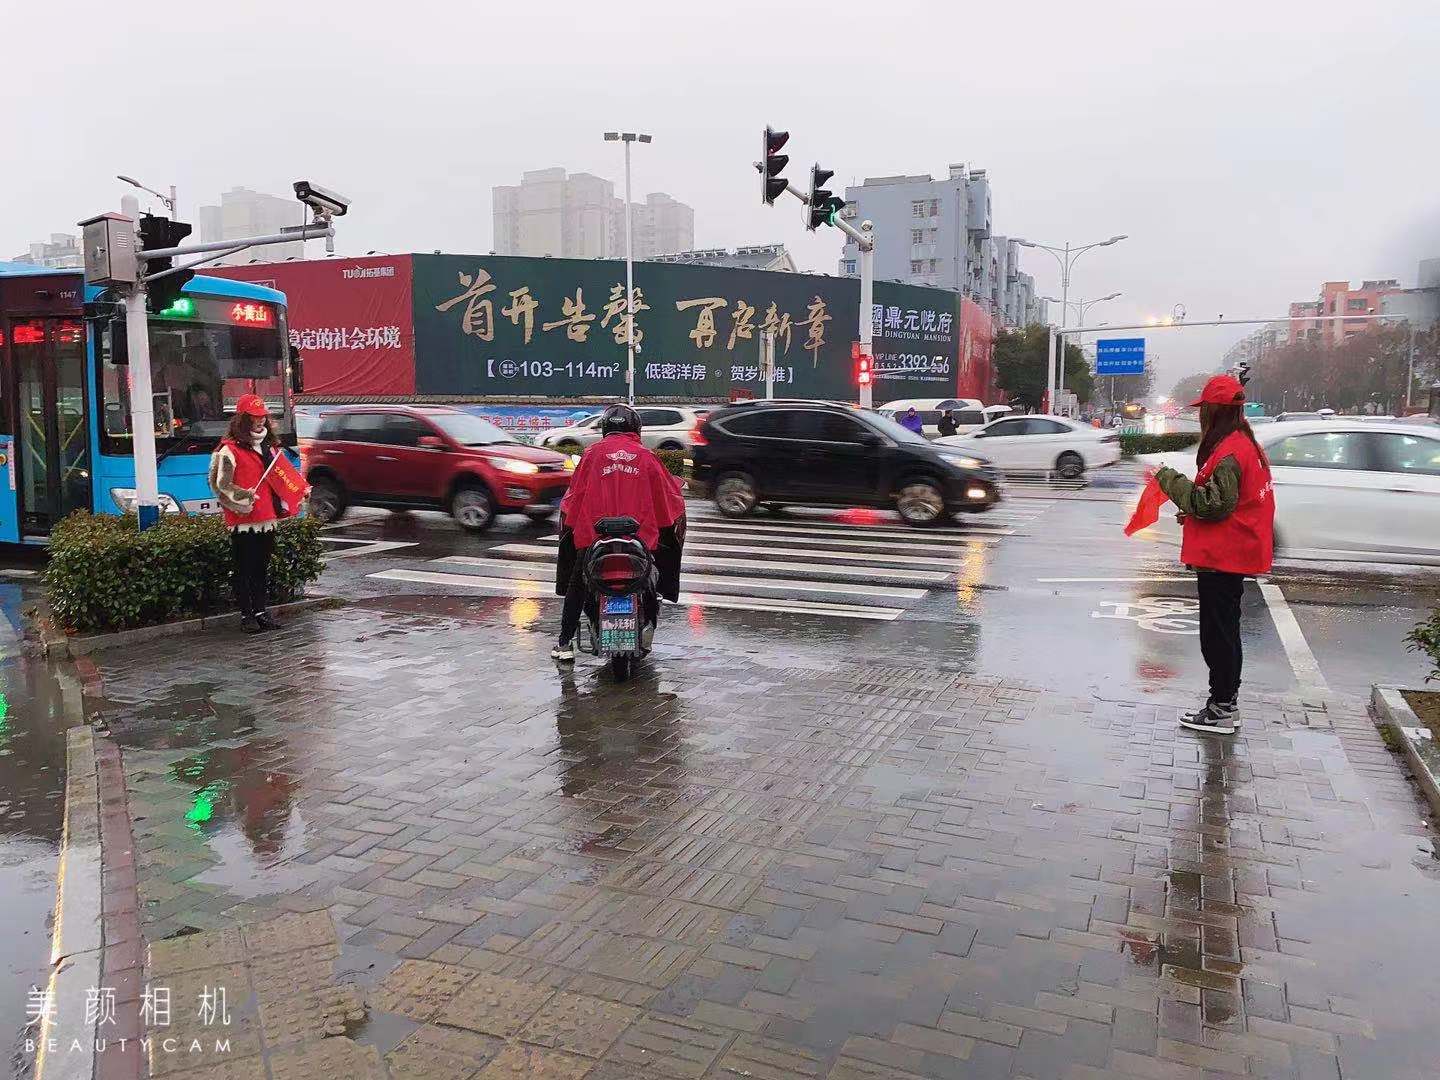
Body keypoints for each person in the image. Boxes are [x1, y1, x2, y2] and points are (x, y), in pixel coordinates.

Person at [1153, 374, 1274, 735]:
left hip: (1225, 556)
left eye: (1204, 409)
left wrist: (1169, 479)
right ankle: (1223, 705)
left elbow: (1214, 504)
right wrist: (1191, 510)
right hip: (1229, 553)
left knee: (1218, 636)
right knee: (1223, 632)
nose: (1201, 416)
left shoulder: (1230, 452)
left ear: (1215, 411)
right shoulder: (1240, 444)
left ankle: (1222, 709)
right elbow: (1225, 503)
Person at [551, 404, 686, 662]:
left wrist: (571, 526)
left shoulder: (591, 455)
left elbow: (573, 499)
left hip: (593, 540)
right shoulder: (646, 457)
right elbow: (668, 498)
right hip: (640, 541)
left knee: (577, 585)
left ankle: (564, 643)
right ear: (635, 428)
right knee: (652, 581)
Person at [208, 395, 294, 633]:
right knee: (243, 569)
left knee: (261, 568)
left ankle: (260, 611)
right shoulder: (229, 450)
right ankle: (247, 614)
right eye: (254, 418)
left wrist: (298, 491)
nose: (260, 423)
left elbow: (283, 478)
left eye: (262, 418)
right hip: (243, 519)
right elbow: (219, 484)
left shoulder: (270, 447)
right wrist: (242, 497)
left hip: (266, 517)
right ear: (242, 420)